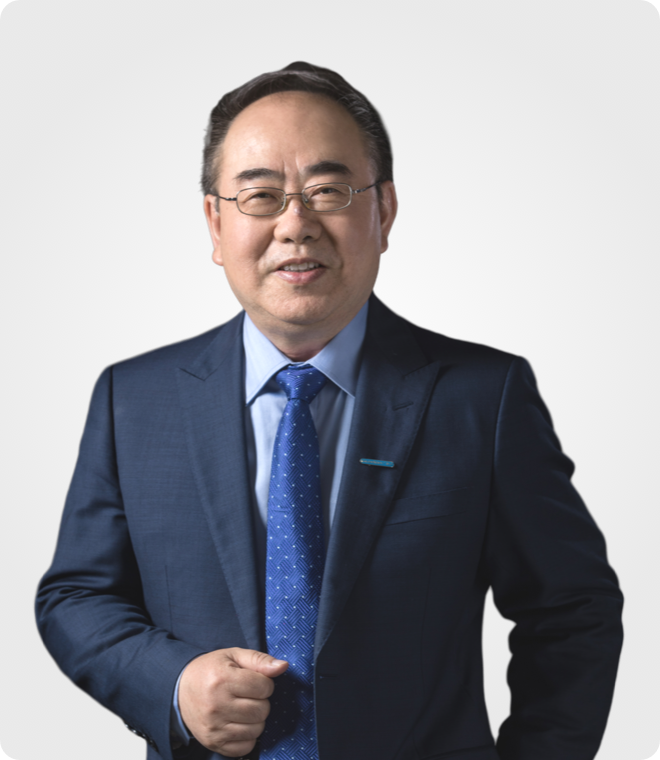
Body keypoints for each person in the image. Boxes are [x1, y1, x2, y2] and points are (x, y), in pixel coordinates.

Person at [36, 62, 624, 760]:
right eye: (260, 196)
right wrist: (172, 684)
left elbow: (571, 610)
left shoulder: (483, 398)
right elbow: (77, 596)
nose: (296, 224)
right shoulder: (132, 400)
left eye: (328, 190)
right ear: (215, 223)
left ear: (384, 212)